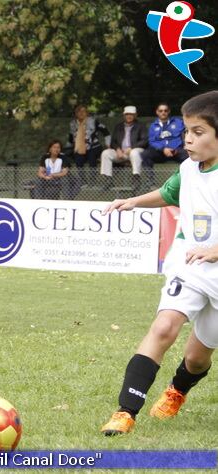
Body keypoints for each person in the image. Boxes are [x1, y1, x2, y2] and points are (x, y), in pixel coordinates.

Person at [100, 91, 218, 436]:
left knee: (197, 358)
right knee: (165, 326)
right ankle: (125, 412)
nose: (188, 140)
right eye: (186, 132)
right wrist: (132, 201)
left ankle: (177, 391)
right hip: (190, 263)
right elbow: (169, 194)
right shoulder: (188, 168)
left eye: (198, 132)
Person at [100, 106, 148, 190]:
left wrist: (131, 148)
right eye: (127, 114)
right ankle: (108, 180)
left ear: (135, 115)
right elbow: (113, 142)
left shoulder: (141, 126)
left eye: (131, 114)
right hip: (121, 153)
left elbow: (144, 141)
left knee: (135, 152)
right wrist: (118, 149)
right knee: (106, 153)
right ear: (124, 115)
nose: (129, 116)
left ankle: (136, 179)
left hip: (134, 151)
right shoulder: (118, 127)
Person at [68, 104, 108, 185]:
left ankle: (93, 181)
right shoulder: (73, 123)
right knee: (78, 159)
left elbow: (105, 131)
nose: (81, 113)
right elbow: (71, 137)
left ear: (87, 113)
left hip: (93, 146)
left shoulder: (93, 121)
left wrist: (108, 144)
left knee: (92, 158)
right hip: (79, 146)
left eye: (83, 111)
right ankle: (82, 181)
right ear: (75, 113)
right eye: (79, 111)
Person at [142, 102, 188, 167]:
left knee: (188, 155)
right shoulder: (153, 126)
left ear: (169, 111)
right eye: (160, 111)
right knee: (145, 154)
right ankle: (150, 177)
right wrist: (163, 149)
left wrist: (178, 147)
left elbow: (185, 133)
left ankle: (186, 176)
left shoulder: (178, 122)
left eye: (165, 110)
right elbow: (152, 141)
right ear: (157, 112)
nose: (163, 112)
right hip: (160, 152)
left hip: (176, 151)